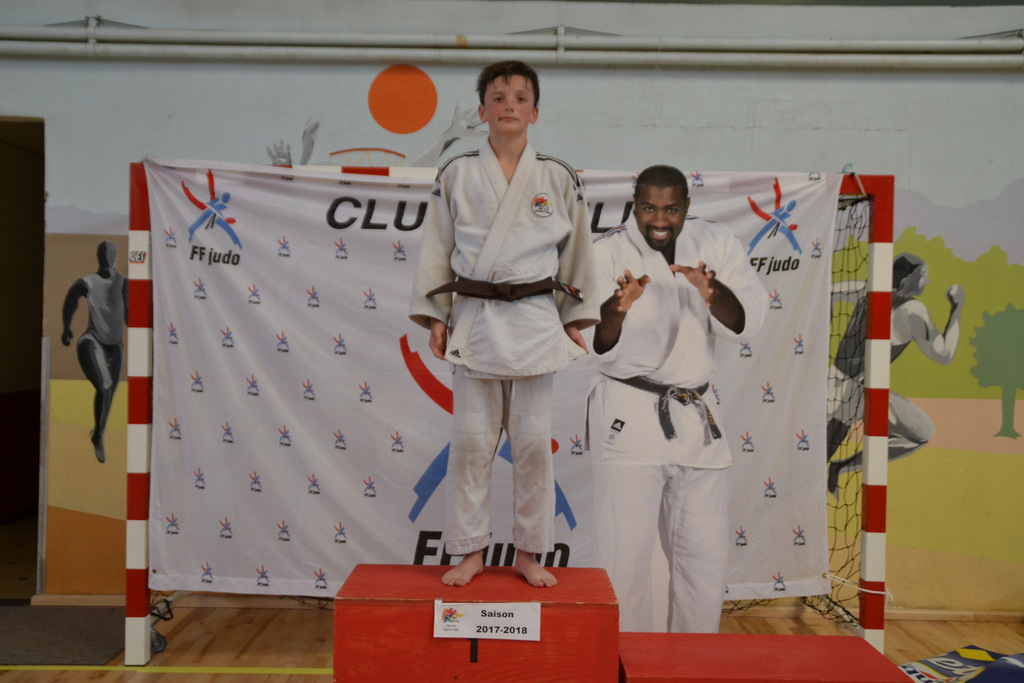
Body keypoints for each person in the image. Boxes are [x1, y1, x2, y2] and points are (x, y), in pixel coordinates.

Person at [409, 61, 599, 588]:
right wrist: (436, 316)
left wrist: (574, 318)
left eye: (519, 97)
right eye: (498, 97)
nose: (508, 105)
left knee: (534, 446)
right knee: (471, 444)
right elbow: (437, 247)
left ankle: (530, 552)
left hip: (535, 320)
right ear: (482, 111)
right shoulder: (457, 172)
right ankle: (469, 550)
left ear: (534, 112)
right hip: (475, 318)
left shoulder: (557, 175)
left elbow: (577, 253)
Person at [585, 165, 767, 632]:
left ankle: (694, 662)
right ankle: (623, 662)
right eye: (649, 208)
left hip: (697, 416)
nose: (659, 220)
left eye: (671, 209)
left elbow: (748, 321)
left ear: (687, 206)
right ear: (634, 205)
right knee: (624, 559)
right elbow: (590, 340)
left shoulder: (716, 240)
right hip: (629, 410)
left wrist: (711, 292)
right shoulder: (604, 251)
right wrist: (617, 308)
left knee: (704, 562)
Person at [826, 253, 963, 492]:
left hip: (836, 384)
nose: (927, 281)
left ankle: (839, 467)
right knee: (920, 433)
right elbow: (944, 355)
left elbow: (829, 292)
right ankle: (842, 467)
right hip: (858, 392)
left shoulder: (867, 290)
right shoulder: (912, 310)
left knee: (921, 431)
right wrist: (957, 307)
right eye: (923, 276)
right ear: (906, 280)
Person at [61, 240, 128, 464]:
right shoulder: (87, 282)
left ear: (115, 258)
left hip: (115, 347)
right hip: (91, 341)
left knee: (108, 395)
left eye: (110, 255)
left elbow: (129, 314)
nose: (107, 259)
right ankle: (98, 438)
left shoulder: (123, 281)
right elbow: (71, 299)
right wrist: (66, 328)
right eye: (103, 255)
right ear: (99, 257)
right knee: (105, 387)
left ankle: (98, 434)